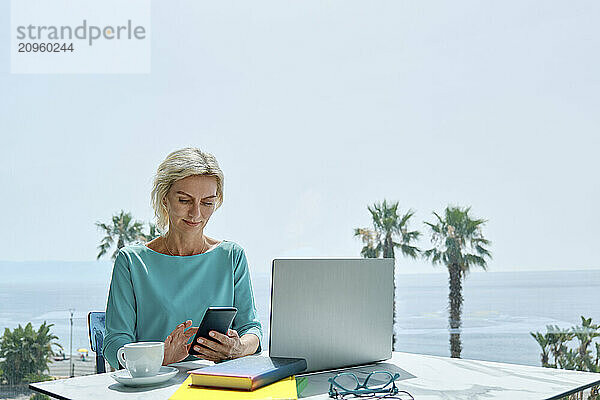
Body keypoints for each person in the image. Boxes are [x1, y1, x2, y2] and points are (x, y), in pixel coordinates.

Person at [102, 148, 262, 369]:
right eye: (185, 200)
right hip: (153, 388)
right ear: (165, 198)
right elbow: (114, 343)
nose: (196, 214)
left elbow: (252, 330)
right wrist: (158, 358)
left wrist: (238, 348)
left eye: (207, 203)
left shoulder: (232, 257)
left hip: (218, 385)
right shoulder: (132, 262)